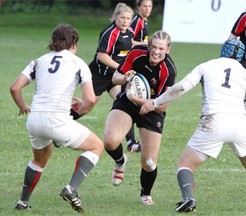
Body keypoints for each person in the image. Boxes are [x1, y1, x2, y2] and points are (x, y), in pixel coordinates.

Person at [140, 38, 246, 213]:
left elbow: (182, 87)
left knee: (185, 165)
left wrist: (155, 103)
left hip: (214, 121)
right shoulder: (245, 73)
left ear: (223, 50)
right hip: (240, 123)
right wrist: (241, 119)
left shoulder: (207, 65)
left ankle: (188, 199)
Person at [10, 24, 104, 213]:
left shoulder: (39, 61)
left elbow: (15, 87)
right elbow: (91, 99)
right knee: (96, 146)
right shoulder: (78, 63)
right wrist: (81, 107)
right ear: (74, 43)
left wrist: (22, 106)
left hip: (35, 120)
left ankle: (22, 203)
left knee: (39, 160)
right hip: (58, 121)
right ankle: (71, 188)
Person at [103, 30, 177, 205]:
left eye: (161, 48)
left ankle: (145, 194)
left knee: (149, 161)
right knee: (110, 141)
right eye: (154, 47)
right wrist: (125, 78)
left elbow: (163, 104)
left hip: (153, 109)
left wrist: (139, 99)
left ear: (168, 50)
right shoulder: (136, 53)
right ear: (149, 46)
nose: (156, 52)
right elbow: (115, 77)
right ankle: (120, 161)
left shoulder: (169, 70)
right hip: (127, 103)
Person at [88, 3, 141, 152]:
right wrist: (121, 68)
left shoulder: (129, 31)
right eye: (122, 17)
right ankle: (58, 131)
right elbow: (102, 55)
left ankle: (131, 142)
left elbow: (130, 43)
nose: (125, 21)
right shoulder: (110, 32)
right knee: (87, 105)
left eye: (128, 18)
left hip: (114, 77)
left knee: (124, 101)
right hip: (99, 75)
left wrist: (144, 44)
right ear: (115, 17)